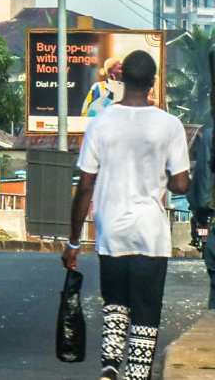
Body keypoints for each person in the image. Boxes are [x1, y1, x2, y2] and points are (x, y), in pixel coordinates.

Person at [61, 50, 189, 380]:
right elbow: (180, 183)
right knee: (145, 313)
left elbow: (85, 186)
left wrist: (73, 241)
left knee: (115, 304)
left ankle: (109, 366)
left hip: (111, 230)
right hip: (150, 232)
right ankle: (134, 375)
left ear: (120, 80)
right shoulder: (170, 125)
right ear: (152, 82)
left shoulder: (100, 124)